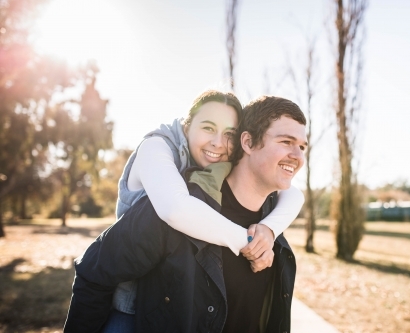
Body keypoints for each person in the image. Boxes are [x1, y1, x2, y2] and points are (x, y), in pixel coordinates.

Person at [64, 95, 307, 332]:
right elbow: (174, 210)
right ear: (248, 142)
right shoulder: (165, 174)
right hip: (126, 308)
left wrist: (270, 228)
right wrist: (248, 241)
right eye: (286, 142)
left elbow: (295, 194)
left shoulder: (272, 219)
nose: (297, 156)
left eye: (302, 146)